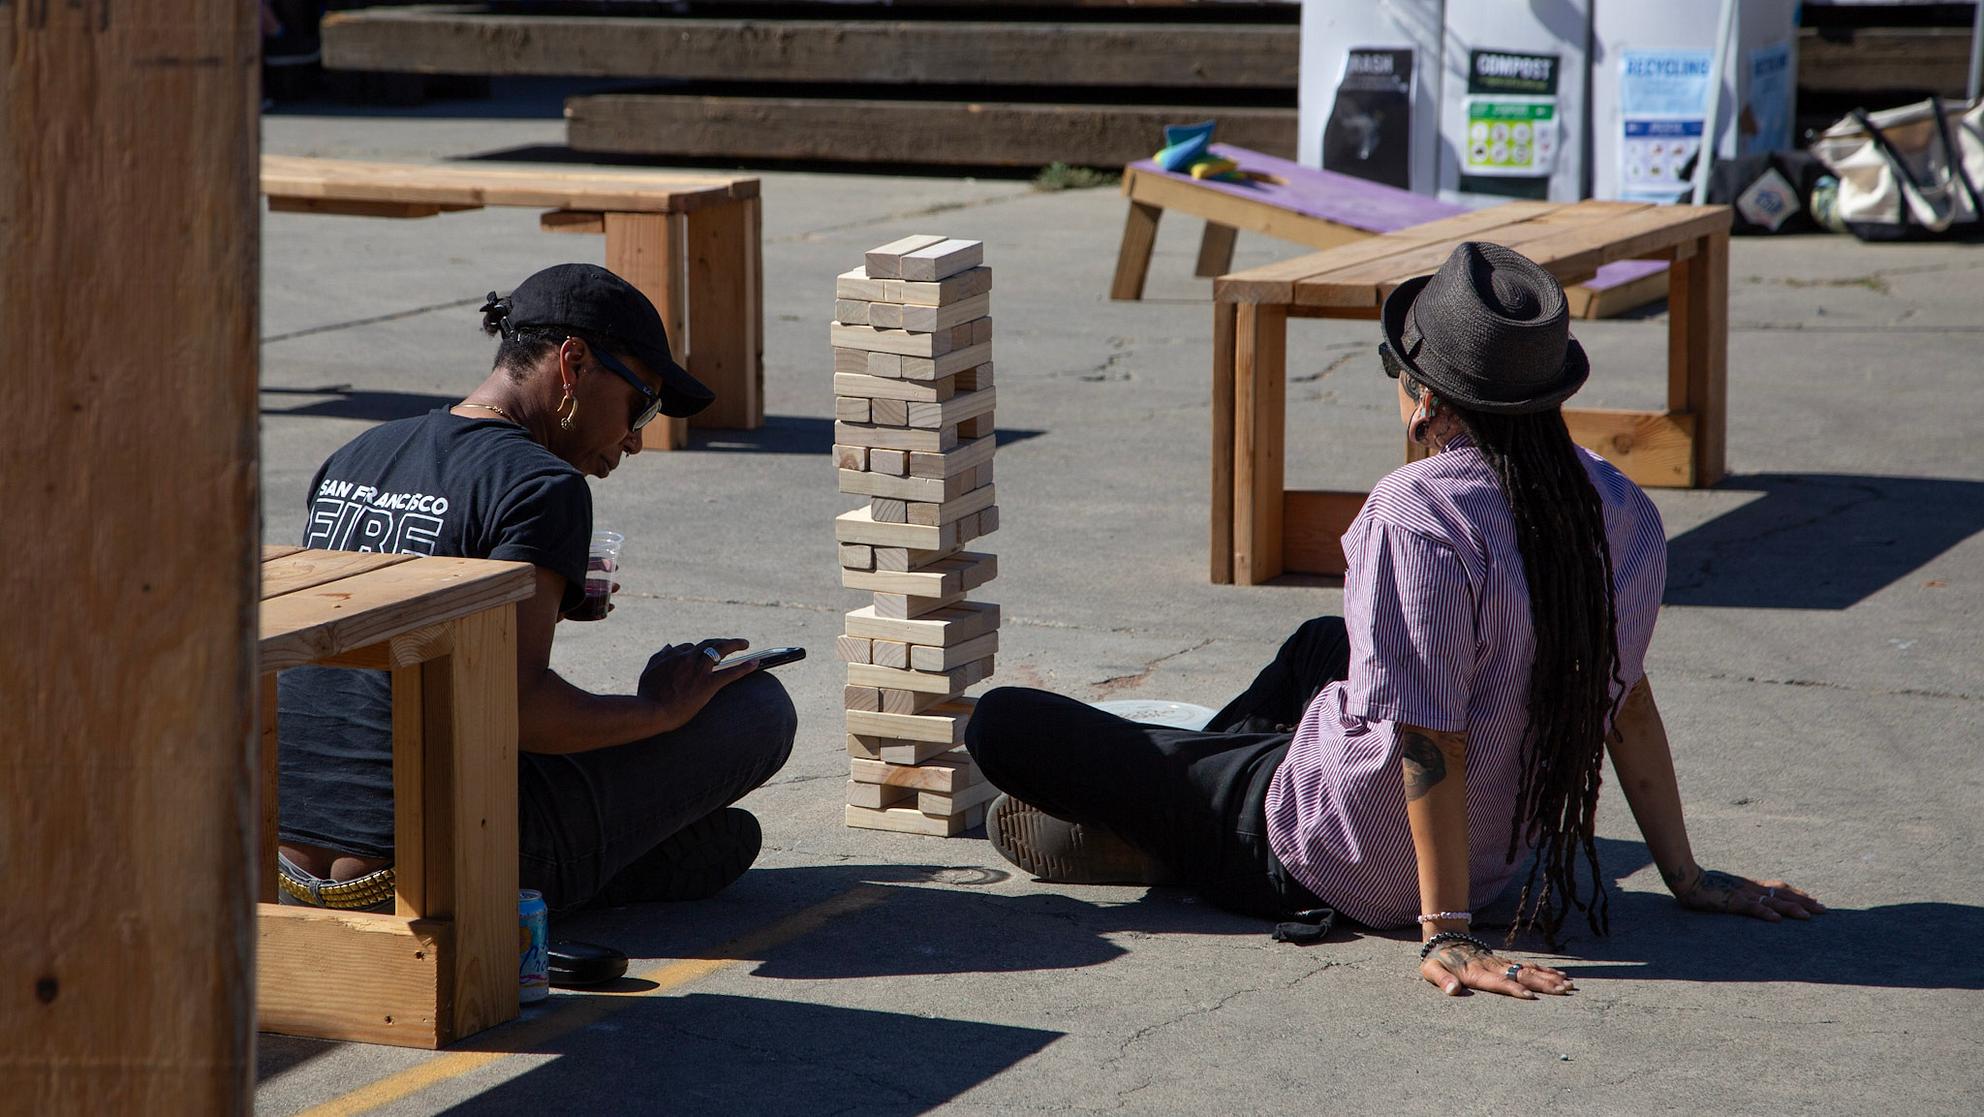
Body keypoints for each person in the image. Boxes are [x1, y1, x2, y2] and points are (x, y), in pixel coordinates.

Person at [965, 243, 1823, 1000]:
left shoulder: (1416, 512)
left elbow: (1429, 738)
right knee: (1321, 643)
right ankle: (1180, 807)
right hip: (1497, 859)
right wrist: (1688, 875)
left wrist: (1445, 930)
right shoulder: (1622, 507)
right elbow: (1625, 698)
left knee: (1002, 723)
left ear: (1427, 403)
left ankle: (1176, 833)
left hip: (1336, 853)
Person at [277, 263, 796, 915]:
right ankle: (595, 868)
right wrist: (660, 709)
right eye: (642, 404)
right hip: (429, 872)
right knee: (755, 710)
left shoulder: (359, 454)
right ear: (573, 363)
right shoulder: (541, 485)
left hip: (287, 864)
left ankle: (620, 856)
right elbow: (521, 710)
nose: (636, 439)